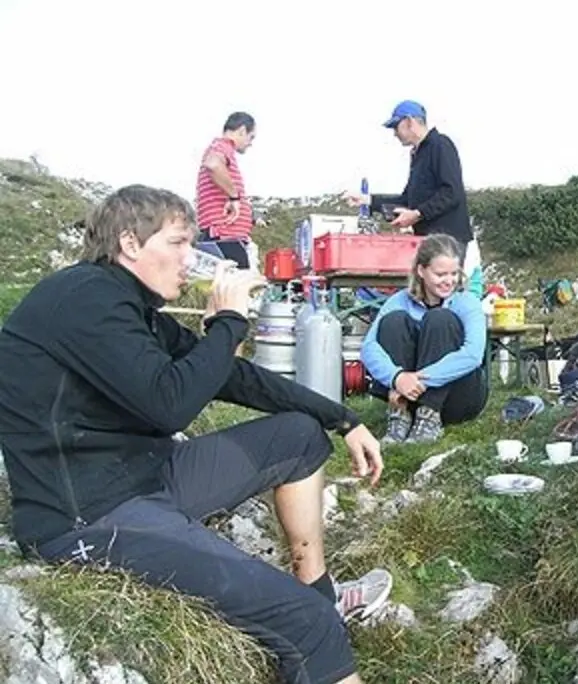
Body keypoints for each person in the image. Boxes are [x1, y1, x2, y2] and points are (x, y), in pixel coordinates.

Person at [0, 185, 392, 684]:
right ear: (129, 243)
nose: (193, 259)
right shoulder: (85, 301)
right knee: (305, 625)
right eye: (179, 243)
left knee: (298, 435)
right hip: (88, 517)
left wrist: (342, 418)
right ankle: (315, 617)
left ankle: (320, 591)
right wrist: (228, 323)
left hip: (147, 479)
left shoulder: (127, 304)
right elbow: (170, 407)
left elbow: (229, 376)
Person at [342, 100, 483, 297]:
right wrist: (367, 200)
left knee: (445, 293)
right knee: (428, 295)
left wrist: (417, 214)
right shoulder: (417, 155)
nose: (394, 133)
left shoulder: (441, 145)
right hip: (427, 240)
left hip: (449, 239)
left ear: (409, 122)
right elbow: (407, 199)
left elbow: (452, 193)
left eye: (395, 126)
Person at [360, 233, 488, 445]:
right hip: (406, 393)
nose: (449, 281)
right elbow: (368, 347)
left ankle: (429, 417)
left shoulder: (467, 302)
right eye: (440, 274)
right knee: (393, 321)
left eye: (454, 274)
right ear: (421, 271)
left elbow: (473, 355)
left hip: (458, 397)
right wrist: (397, 378)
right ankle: (400, 416)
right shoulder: (399, 300)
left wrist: (419, 380)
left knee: (440, 319)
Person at [195, 111, 258, 269]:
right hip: (225, 236)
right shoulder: (223, 146)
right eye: (251, 137)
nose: (250, 143)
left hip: (225, 235)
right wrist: (234, 197)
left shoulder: (220, 148)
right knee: (239, 287)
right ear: (242, 130)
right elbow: (213, 164)